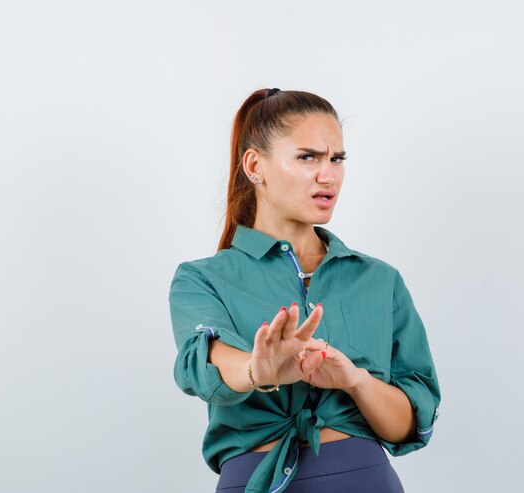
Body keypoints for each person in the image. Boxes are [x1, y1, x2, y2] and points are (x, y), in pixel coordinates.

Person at [168, 87, 441, 493]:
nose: (327, 174)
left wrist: (356, 381)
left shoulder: (381, 281)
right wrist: (257, 369)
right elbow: (206, 360)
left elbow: (409, 425)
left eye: (337, 159)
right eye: (307, 157)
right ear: (255, 165)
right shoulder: (202, 279)